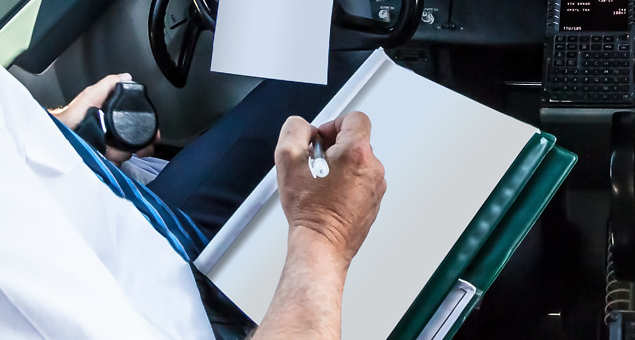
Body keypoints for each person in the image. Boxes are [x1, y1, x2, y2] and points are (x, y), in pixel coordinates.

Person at [0, 62, 385, 339]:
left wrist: (65, 134)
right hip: (196, 313)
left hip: (139, 229)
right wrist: (323, 234)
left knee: (329, 77)